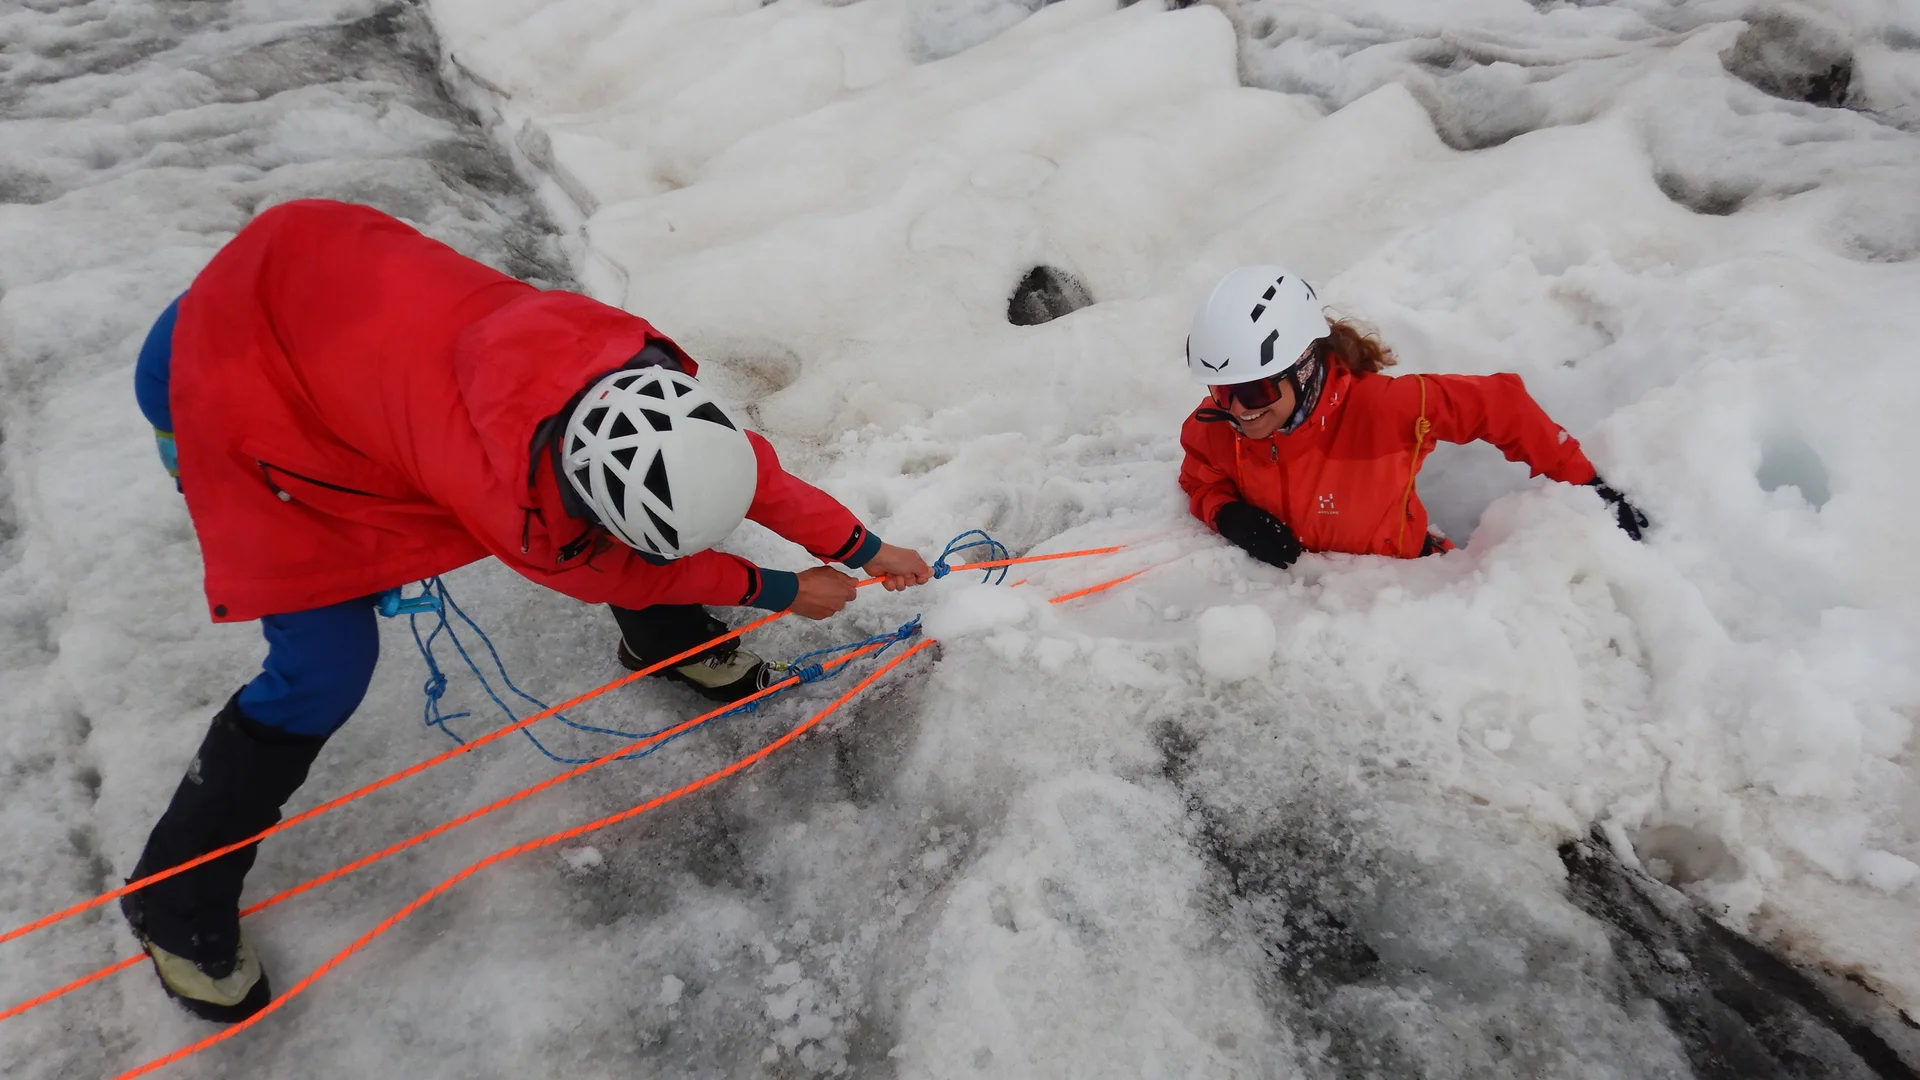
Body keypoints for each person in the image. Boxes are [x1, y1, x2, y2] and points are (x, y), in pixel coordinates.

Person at [123, 199, 933, 1024]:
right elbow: (620, 566)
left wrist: (865, 547)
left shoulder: (641, 380)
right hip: (220, 377)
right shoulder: (515, 506)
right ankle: (171, 898)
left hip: (323, 303)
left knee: (651, 516)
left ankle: (670, 645)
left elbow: (744, 476)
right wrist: (784, 591)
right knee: (322, 672)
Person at [1178, 265, 1648, 567]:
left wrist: (1586, 484)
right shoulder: (1216, 424)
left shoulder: (1386, 409)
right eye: (1221, 388)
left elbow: (1500, 405)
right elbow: (1201, 478)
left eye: (1253, 388)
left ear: (1302, 368)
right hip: (1308, 609)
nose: (1238, 408)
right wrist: (1228, 515)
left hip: (1407, 594)